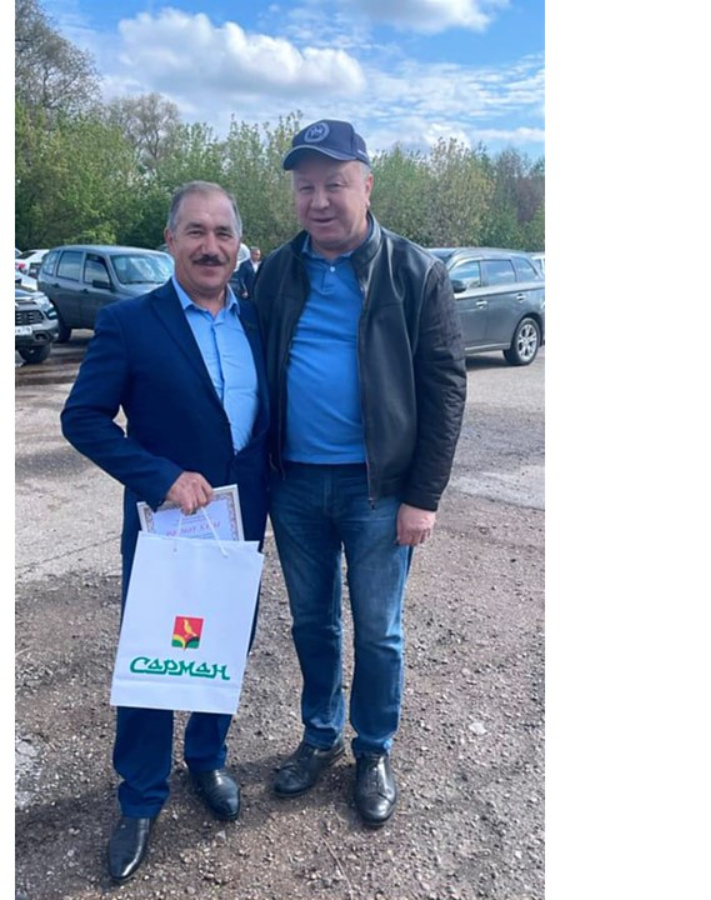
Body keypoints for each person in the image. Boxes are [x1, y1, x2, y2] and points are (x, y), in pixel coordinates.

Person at [250, 119, 466, 828]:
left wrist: (423, 496)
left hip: (380, 490)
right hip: (295, 485)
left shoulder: (416, 272)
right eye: (305, 187)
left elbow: (445, 388)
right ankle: (320, 734)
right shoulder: (277, 271)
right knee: (312, 623)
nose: (318, 200)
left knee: (378, 631)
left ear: (367, 186)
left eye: (335, 184)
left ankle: (373, 749)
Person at [61, 181, 269, 883]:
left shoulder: (257, 321)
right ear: (170, 240)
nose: (211, 246)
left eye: (223, 233)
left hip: (241, 523)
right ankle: (141, 797)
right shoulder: (129, 323)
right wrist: (159, 476)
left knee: (227, 644)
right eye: (196, 232)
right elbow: (82, 419)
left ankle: (207, 760)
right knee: (155, 655)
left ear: (238, 245)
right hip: (168, 526)